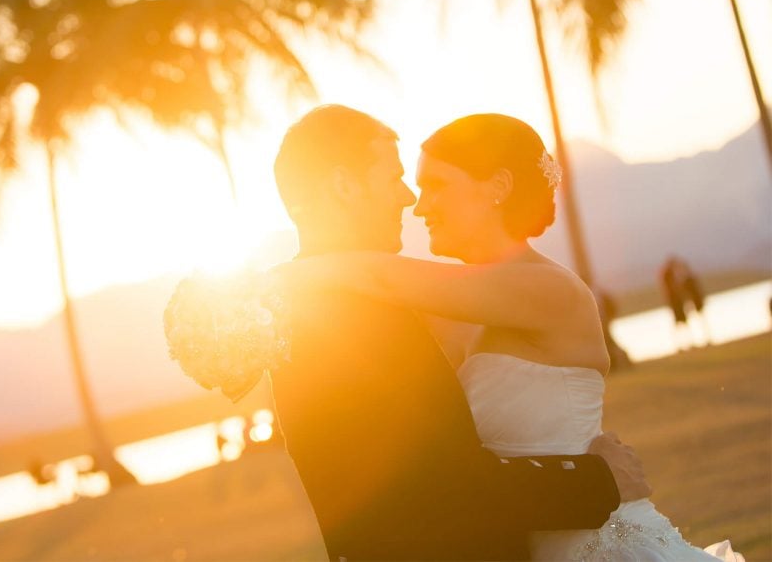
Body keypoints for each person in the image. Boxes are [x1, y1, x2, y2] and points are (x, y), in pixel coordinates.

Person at [276, 110, 734, 561]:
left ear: (497, 188)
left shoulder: (549, 290)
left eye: (435, 186)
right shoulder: (446, 310)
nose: (418, 205)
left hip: (596, 541)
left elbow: (381, 277)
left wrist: (282, 277)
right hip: (529, 534)